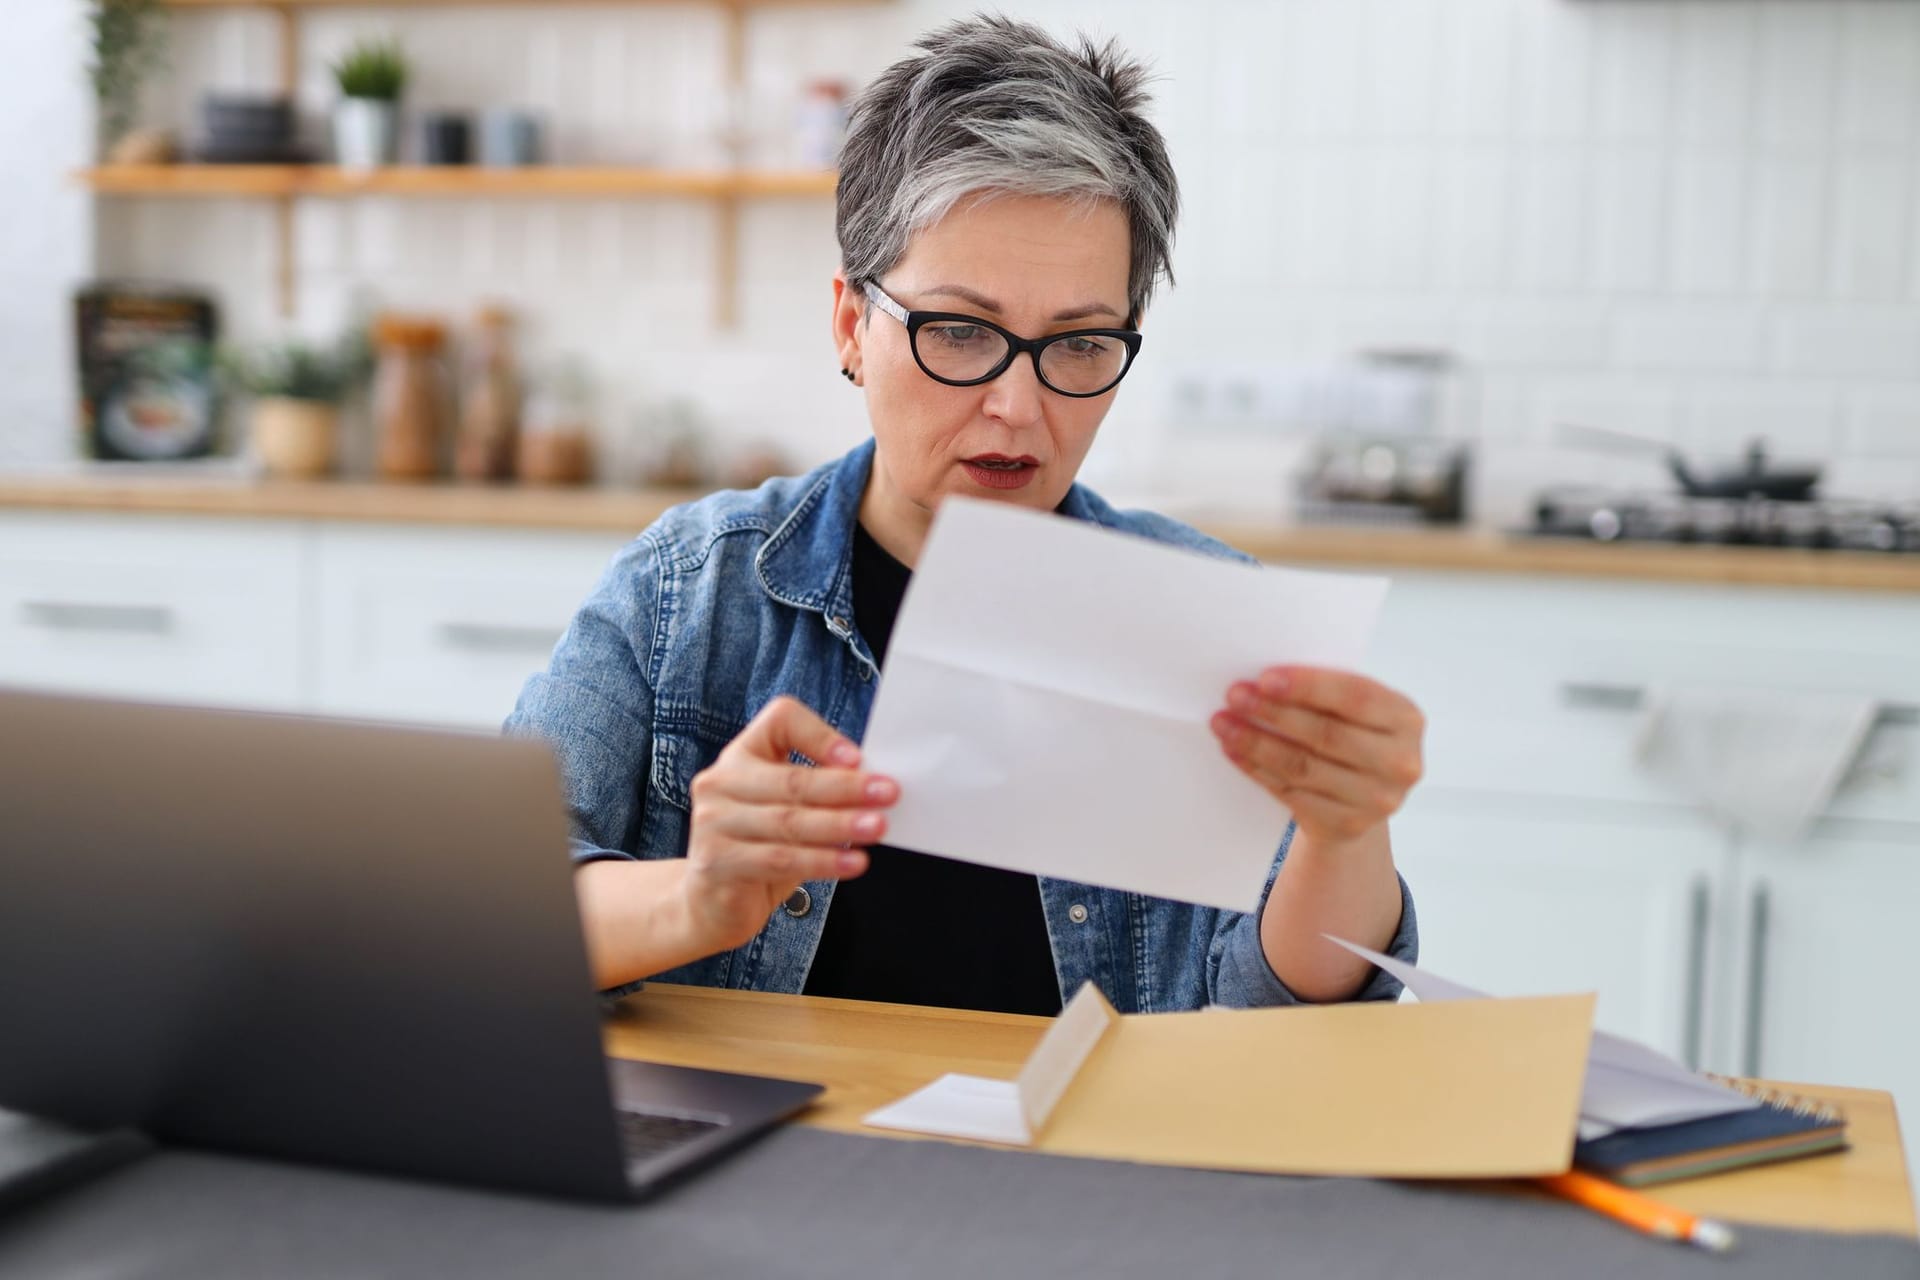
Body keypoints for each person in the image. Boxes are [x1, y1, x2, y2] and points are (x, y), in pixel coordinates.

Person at [507, 16, 1422, 1015]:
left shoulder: (1212, 625)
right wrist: (694, 898)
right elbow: (488, 909)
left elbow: (1274, 1026)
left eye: (1078, 345)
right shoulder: (691, 590)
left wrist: (1348, 829)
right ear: (852, 325)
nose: (1018, 407)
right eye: (958, 329)